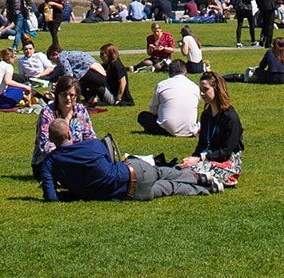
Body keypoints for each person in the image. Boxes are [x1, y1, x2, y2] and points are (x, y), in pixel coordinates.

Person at [38, 119, 215, 200]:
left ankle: (207, 189)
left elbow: (51, 196)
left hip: (129, 192)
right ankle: (200, 178)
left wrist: (73, 189)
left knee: (169, 187)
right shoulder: (91, 145)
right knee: (162, 172)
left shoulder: (50, 163)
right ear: (69, 132)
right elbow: (109, 160)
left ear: (51, 139)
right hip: (133, 170)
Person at [137, 59, 199, 137]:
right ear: (185, 73)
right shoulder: (195, 86)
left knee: (143, 116)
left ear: (169, 73)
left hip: (168, 129)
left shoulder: (162, 85)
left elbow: (153, 109)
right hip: (190, 128)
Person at [193, 72, 242, 163]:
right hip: (206, 158)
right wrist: (193, 157)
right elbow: (201, 144)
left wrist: (200, 158)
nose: (202, 93)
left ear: (217, 89)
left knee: (189, 175)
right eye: (201, 90)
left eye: (205, 89)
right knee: (179, 170)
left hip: (226, 162)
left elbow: (227, 151)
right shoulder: (206, 115)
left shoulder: (230, 118)